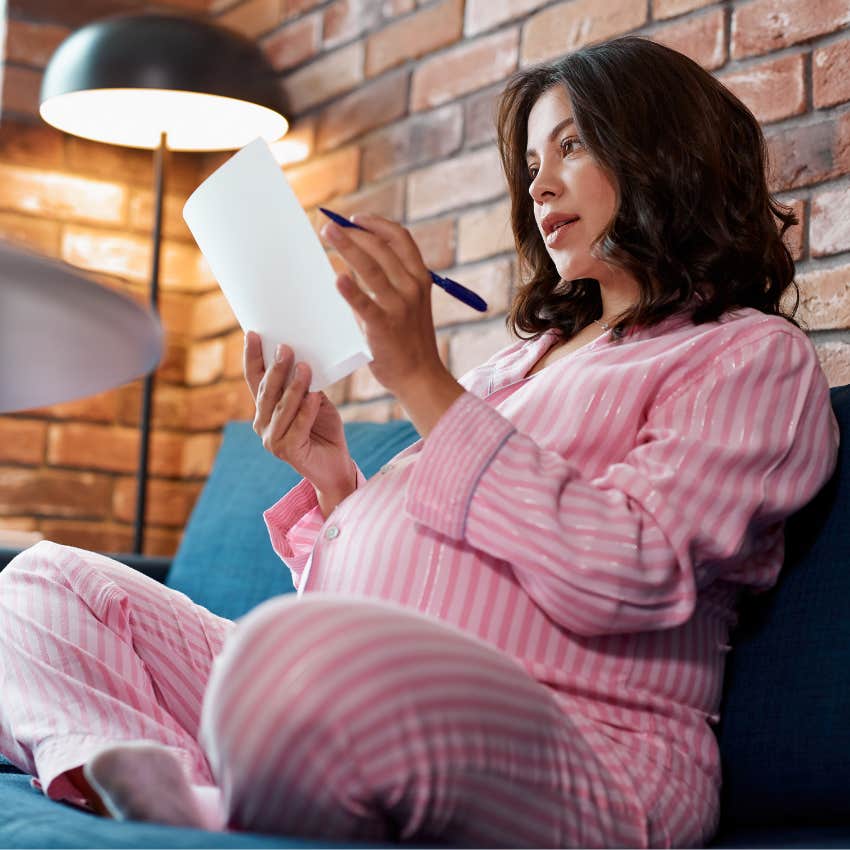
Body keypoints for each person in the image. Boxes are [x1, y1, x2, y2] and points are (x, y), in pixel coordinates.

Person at [0, 35, 839, 848]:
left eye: (571, 145)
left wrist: (422, 381)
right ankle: (163, 788)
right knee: (42, 581)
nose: (540, 185)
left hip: (583, 743)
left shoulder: (746, 355)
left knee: (295, 653)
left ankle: (215, 797)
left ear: (667, 153)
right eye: (532, 165)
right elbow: (392, 574)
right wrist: (333, 483)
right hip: (351, 681)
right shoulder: (517, 368)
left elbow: (637, 570)